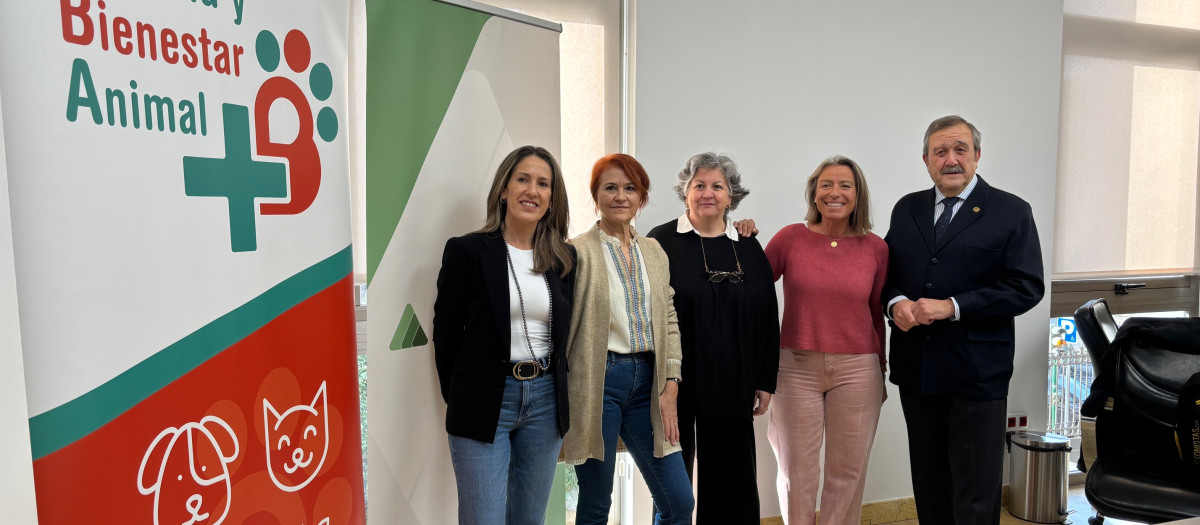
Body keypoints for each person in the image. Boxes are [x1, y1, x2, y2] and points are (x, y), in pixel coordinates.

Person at [884, 115, 1044, 524]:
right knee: (930, 482)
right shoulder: (907, 209)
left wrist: (954, 305)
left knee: (975, 491)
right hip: (917, 370)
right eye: (940, 151)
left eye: (959, 150)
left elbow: (1026, 286)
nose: (950, 159)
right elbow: (885, 275)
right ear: (925, 159)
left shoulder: (1011, 211)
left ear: (977, 155)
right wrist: (896, 302)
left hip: (977, 374)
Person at [432, 145, 576, 525]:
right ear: (503, 189)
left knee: (529, 520)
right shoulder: (468, 251)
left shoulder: (562, 259)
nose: (532, 190)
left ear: (551, 197)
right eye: (523, 179)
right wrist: (461, 393)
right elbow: (445, 335)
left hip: (545, 402)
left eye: (543, 183)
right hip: (484, 399)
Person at [648, 152, 780, 524]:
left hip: (734, 383)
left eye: (717, 186)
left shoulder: (747, 244)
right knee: (673, 491)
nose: (708, 193)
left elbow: (769, 316)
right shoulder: (660, 242)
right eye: (699, 185)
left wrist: (765, 379)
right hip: (675, 385)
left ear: (731, 196)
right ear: (685, 192)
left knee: (731, 488)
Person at [563, 153, 694, 525]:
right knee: (595, 503)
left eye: (630, 188)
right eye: (610, 188)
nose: (620, 196)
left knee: (679, 502)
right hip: (598, 382)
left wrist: (671, 383)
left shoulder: (653, 250)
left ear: (642, 197)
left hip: (649, 386)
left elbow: (669, 317)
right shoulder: (578, 251)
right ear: (596, 196)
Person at [764, 156, 889, 525]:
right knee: (795, 471)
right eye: (826, 185)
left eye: (845, 185)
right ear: (814, 193)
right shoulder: (791, 238)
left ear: (857, 194)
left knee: (848, 472)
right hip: (795, 368)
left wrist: (880, 368)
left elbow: (877, 311)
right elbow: (751, 287)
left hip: (858, 370)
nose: (835, 192)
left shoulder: (875, 248)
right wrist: (740, 235)